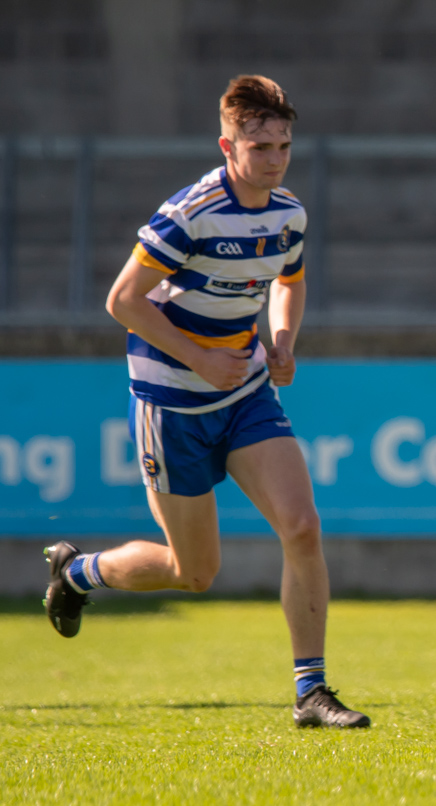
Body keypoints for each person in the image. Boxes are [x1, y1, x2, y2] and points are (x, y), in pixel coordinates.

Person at [41, 75, 369, 729]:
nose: (273, 160)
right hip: (171, 402)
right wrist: (197, 357)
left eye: (283, 145)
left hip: (245, 393)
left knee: (302, 527)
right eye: (259, 147)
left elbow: (289, 281)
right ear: (227, 147)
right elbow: (123, 300)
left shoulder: (288, 213)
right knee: (193, 573)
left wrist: (281, 339)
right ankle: (79, 574)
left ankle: (311, 693)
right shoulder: (189, 214)